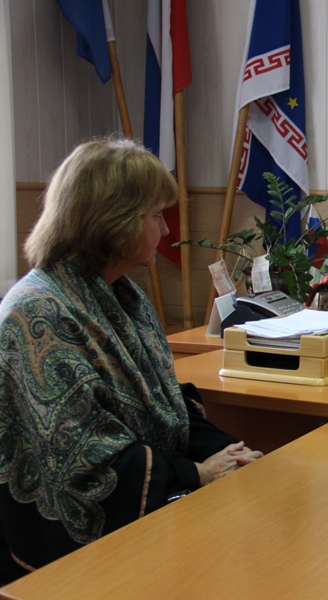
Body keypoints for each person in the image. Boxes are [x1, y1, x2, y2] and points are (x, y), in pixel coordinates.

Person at [0, 138, 263, 583]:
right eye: (156, 216)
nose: (165, 231)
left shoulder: (122, 294)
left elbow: (162, 406)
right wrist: (196, 474)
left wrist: (233, 451)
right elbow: (86, 459)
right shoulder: (36, 313)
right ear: (114, 221)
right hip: (63, 561)